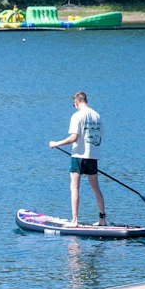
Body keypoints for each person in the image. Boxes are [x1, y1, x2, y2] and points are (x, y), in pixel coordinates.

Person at [48, 90, 106, 225]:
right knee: (95, 188)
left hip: (78, 156)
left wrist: (56, 144)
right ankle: (102, 219)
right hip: (93, 157)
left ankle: (74, 220)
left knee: (74, 187)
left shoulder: (77, 116)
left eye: (73, 104)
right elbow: (100, 137)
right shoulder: (97, 115)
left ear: (76, 102)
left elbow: (74, 137)